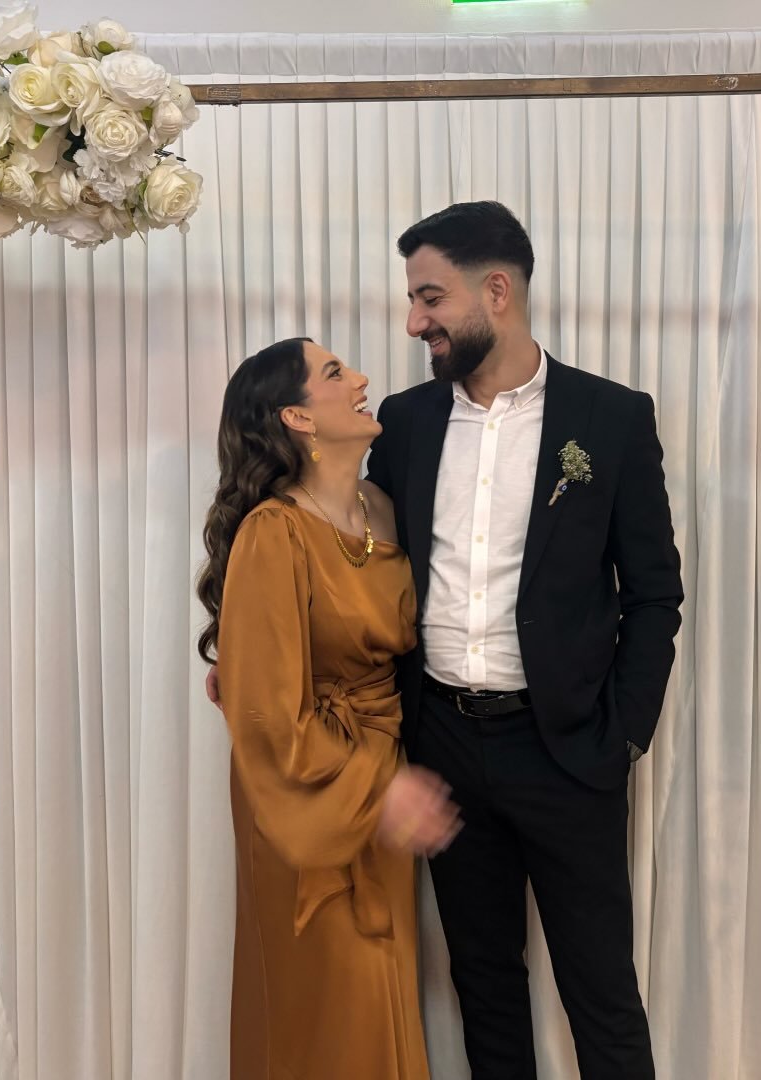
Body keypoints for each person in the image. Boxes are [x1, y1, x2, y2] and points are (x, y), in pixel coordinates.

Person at [365, 201, 684, 1079]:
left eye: (430, 297)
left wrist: (622, 735)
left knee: (602, 994)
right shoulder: (404, 421)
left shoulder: (611, 418)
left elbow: (654, 594)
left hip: (568, 752)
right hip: (441, 743)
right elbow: (361, 565)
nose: (414, 321)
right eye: (413, 299)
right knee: (483, 986)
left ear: (496, 291)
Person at [197, 337, 459, 1080]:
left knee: (382, 1000)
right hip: (308, 801)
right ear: (298, 417)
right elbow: (267, 720)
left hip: (383, 784)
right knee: (331, 1009)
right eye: (337, 373)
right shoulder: (273, 531)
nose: (362, 379)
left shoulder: (385, 509)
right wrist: (379, 788)